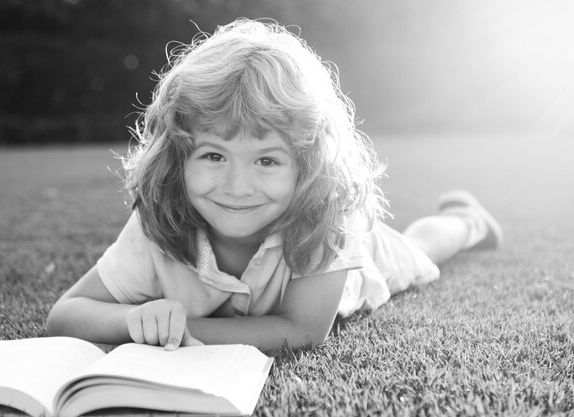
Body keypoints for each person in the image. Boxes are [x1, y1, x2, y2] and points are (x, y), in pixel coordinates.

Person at [46, 18, 502, 351]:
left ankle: (465, 222)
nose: (237, 186)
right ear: (177, 157)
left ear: (306, 164)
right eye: (213, 155)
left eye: (267, 159)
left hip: (361, 260)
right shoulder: (159, 223)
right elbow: (65, 314)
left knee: (418, 251)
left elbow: (301, 330)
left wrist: (180, 328)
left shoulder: (327, 216)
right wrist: (133, 320)